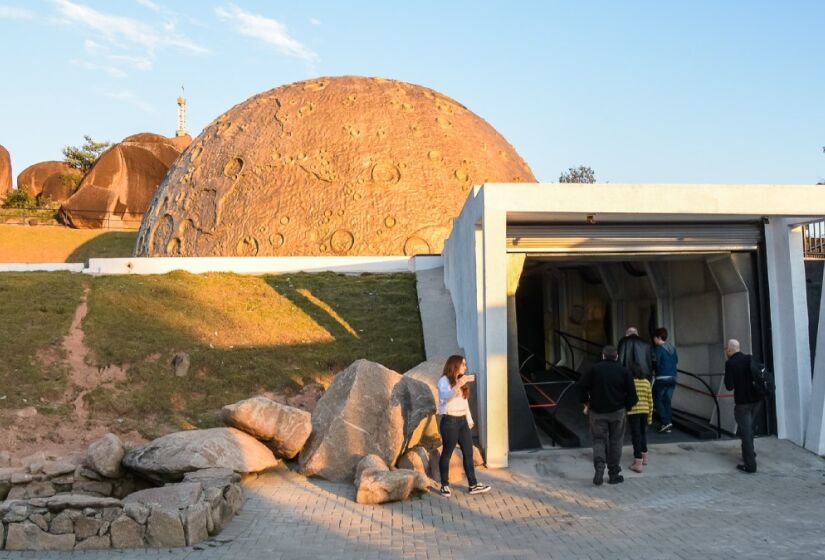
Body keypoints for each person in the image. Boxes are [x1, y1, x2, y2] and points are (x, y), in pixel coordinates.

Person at [576, 345, 638, 485]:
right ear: (616, 357)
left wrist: (586, 402)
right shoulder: (624, 371)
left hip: (597, 412)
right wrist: (627, 406)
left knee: (598, 440)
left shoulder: (594, 369)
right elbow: (633, 395)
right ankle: (614, 474)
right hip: (617, 412)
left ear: (603, 356)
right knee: (616, 441)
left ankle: (599, 467)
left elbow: (580, 386)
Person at [437, 355, 491, 497]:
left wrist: (469, 419)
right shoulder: (444, 381)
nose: (465, 367)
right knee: (447, 453)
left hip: (462, 421)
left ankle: (473, 485)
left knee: (468, 452)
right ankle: (444, 485)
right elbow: (445, 395)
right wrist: (459, 384)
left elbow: (464, 402)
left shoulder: (461, 381)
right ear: (455, 365)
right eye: (463, 364)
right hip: (450, 421)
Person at [724, 339, 762, 474]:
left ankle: (750, 466)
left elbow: (729, 386)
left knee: (745, 433)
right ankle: (750, 453)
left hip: (743, 403)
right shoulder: (750, 358)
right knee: (749, 429)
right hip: (756, 400)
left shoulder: (730, 363)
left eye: (726, 349)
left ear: (729, 349)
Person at [626, 365, 653, 473]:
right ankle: (644, 457)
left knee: (635, 436)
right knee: (642, 434)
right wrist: (650, 418)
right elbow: (650, 401)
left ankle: (638, 462)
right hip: (645, 412)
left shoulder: (630, 383)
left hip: (634, 412)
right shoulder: (646, 382)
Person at [652, 327, 679, 433]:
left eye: (654, 337)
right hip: (673, 377)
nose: (653, 340)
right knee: (667, 400)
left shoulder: (658, 348)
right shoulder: (672, 348)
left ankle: (665, 421)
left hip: (662, 377)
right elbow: (676, 360)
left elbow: (656, 362)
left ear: (658, 337)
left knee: (656, 399)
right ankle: (667, 423)